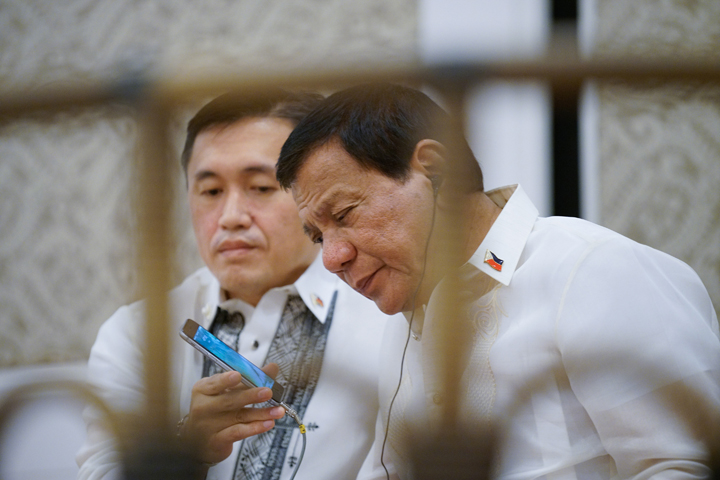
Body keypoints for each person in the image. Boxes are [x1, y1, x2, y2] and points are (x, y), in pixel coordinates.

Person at [276, 83, 720, 479]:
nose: (333, 258)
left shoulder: (591, 268)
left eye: (345, 214)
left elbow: (684, 464)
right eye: (317, 236)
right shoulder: (410, 316)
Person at [76, 89, 395, 480]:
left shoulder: (386, 315)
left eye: (260, 187)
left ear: (314, 194)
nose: (230, 217)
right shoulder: (137, 334)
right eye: (210, 191)